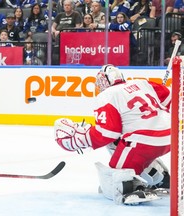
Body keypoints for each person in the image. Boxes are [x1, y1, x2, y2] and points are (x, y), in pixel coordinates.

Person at [54, 64, 171, 205]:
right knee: (125, 142)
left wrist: (79, 139)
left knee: (114, 179)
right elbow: (169, 96)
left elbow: (107, 133)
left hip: (143, 142)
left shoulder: (107, 95)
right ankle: (161, 178)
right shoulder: (141, 83)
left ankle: (130, 187)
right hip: (171, 137)